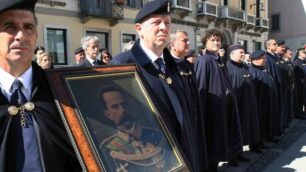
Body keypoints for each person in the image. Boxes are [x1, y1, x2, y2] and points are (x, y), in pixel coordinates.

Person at [110, 1, 201, 171]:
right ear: (139, 29)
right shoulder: (123, 65)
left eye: (167, 23)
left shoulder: (174, 65)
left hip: (184, 156)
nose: (163, 28)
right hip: (151, 160)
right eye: (156, 22)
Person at [0, 0, 81, 171]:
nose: (21, 35)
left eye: (28, 27)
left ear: (36, 35)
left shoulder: (63, 90)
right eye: (10, 26)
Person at [194, 29, 243, 171]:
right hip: (211, 113)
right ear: (205, 43)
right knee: (211, 146)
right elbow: (201, 89)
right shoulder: (204, 61)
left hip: (222, 110)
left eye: (218, 40)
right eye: (212, 40)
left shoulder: (218, 60)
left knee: (219, 144)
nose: (216, 43)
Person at [99, 86, 177, 172]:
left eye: (124, 104)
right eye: (115, 107)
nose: (123, 110)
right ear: (107, 114)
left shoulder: (156, 135)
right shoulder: (107, 148)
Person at [169, 30, 208, 170]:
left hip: (194, 116)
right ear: (172, 44)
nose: (188, 43)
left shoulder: (187, 64)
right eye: (184, 40)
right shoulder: (168, 66)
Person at [226, 44, 261, 156]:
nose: (243, 54)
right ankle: (234, 155)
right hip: (236, 105)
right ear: (232, 54)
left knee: (249, 126)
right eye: (240, 52)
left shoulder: (245, 67)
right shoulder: (227, 67)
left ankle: (251, 145)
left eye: (243, 52)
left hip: (249, 103)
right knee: (236, 129)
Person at [248, 50, 278, 147]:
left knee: (267, 120)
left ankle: (267, 137)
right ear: (255, 60)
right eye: (263, 58)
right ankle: (257, 143)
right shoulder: (252, 71)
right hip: (259, 102)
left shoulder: (263, 69)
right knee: (259, 123)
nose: (265, 60)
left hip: (267, 101)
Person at [264, 39, 284, 138]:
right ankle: (271, 133)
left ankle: (277, 129)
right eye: (274, 44)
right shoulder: (267, 58)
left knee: (278, 109)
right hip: (273, 88)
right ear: (268, 46)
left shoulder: (275, 57)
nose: (277, 45)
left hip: (278, 87)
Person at [293, 47, 306, 118]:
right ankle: (298, 114)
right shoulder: (296, 62)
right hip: (299, 84)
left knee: (303, 99)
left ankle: (302, 112)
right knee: (299, 99)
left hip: (303, 84)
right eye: (304, 53)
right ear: (299, 53)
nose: (305, 54)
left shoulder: (303, 62)